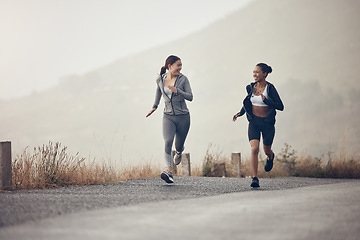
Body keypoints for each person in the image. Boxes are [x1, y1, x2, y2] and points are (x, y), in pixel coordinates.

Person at [233, 63, 284, 188]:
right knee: (254, 149)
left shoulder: (270, 88)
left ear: (265, 74)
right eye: (253, 72)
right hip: (254, 122)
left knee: (266, 150)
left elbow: (280, 106)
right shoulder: (251, 87)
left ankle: (270, 157)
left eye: (257, 72)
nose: (254, 74)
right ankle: (254, 178)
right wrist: (240, 112)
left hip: (267, 124)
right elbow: (248, 102)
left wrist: (267, 101)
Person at [146, 55, 193, 184]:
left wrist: (178, 91)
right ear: (170, 66)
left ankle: (179, 152)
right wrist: (154, 106)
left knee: (178, 145)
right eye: (178, 65)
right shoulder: (160, 80)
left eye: (181, 65)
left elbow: (190, 97)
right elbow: (158, 92)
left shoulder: (183, 80)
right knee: (167, 142)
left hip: (183, 117)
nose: (180, 67)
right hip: (168, 116)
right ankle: (168, 171)